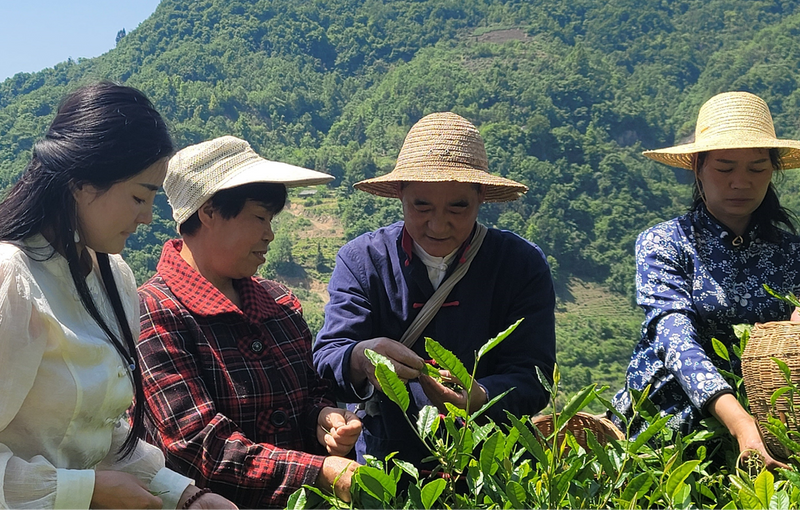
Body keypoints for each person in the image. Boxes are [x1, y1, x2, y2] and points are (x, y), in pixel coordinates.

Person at [0, 82, 236, 510]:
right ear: (81, 184)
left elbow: (97, 432)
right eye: (139, 196)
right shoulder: (13, 278)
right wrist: (83, 491)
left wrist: (186, 496)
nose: (147, 217)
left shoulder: (112, 276)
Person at [312, 111, 557, 466]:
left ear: (480, 197)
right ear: (400, 194)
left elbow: (534, 375)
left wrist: (481, 396)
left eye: (458, 207)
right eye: (421, 206)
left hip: (489, 468)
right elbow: (328, 357)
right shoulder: (363, 260)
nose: (438, 225)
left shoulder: (520, 264)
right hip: (388, 466)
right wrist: (362, 357)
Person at [136, 136, 362, 510]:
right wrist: (320, 472)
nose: (269, 234)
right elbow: (198, 445)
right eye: (259, 218)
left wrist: (323, 418)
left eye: (270, 220)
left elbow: (310, 391)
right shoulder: (153, 312)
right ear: (209, 212)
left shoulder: (280, 304)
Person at [611, 91, 800, 469]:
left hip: (772, 419)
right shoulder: (665, 243)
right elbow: (675, 339)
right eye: (725, 169)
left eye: (757, 169)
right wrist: (742, 425)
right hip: (669, 422)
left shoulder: (792, 252)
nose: (741, 183)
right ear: (697, 168)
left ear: (773, 171)